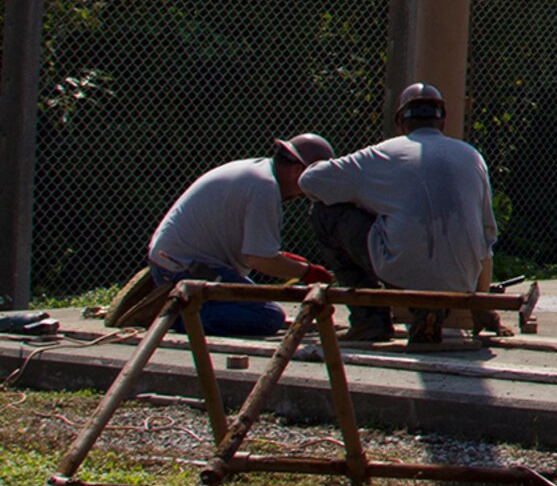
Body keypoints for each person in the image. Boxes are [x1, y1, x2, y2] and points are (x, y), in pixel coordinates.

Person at [299, 81, 498, 344]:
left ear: (400, 123)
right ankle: (429, 309)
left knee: (324, 212)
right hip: (462, 276)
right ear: (442, 123)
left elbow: (309, 181)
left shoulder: (384, 153)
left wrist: (365, 200)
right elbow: (486, 234)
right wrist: (481, 303)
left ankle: (369, 321)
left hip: (402, 267)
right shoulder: (472, 156)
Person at [136, 134, 337, 337]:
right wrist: (307, 272)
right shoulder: (264, 189)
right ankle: (173, 315)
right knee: (268, 317)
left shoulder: (258, 173)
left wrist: (287, 261)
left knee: (257, 305)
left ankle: (180, 306)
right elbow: (259, 259)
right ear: (298, 171)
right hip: (184, 268)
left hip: (176, 262)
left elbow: (255, 248)